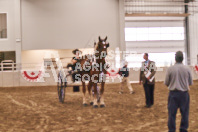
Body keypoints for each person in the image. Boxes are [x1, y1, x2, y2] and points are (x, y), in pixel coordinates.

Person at [165, 51, 193, 132]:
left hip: (173, 94)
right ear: (182, 59)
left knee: (171, 114)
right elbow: (190, 83)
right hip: (184, 94)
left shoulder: (170, 69)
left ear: (175, 58)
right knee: (185, 113)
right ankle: (183, 129)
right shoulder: (187, 69)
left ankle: (172, 130)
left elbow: (166, 82)